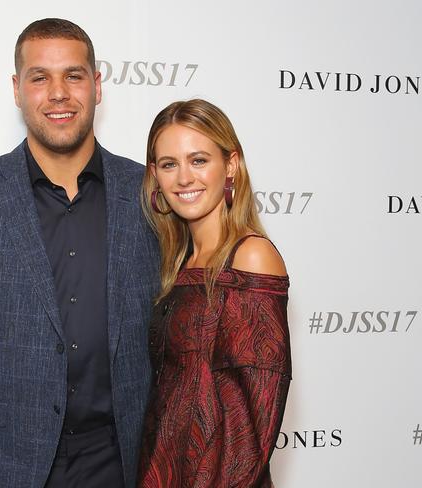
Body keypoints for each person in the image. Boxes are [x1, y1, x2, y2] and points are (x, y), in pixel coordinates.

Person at [0, 18, 158, 488]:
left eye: (73, 75)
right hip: (4, 467)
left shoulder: (149, 193)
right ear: (17, 88)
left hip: (124, 464)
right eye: (40, 77)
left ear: (97, 85)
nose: (59, 93)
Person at [136, 99, 291, 488]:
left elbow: (254, 421)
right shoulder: (179, 262)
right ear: (156, 176)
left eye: (199, 160)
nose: (184, 178)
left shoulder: (251, 257)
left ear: (231, 165)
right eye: (169, 164)